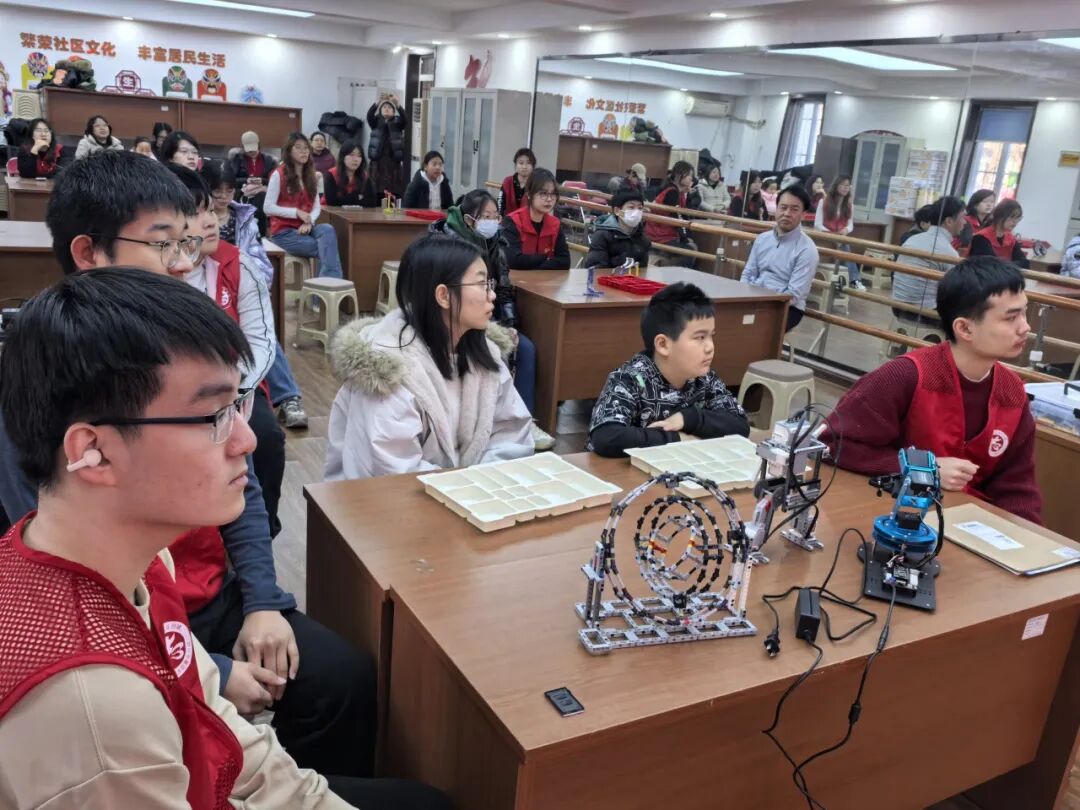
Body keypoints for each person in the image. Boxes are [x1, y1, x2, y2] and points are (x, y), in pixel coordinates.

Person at [0, 268, 450, 810]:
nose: (246, 439)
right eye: (213, 415)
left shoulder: (138, 560)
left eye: (238, 405)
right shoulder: (95, 713)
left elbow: (219, 721)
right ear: (93, 453)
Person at [4, 149, 380, 782]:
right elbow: (79, 575)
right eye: (163, 244)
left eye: (189, 241)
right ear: (88, 252)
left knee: (342, 680)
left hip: (203, 599)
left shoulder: (182, 344)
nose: (184, 263)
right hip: (137, 619)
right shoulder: (53, 380)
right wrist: (212, 670)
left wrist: (262, 600)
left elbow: (243, 488)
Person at [823, 256, 1041, 524]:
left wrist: (1028, 537)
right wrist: (924, 469)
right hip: (896, 518)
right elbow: (833, 443)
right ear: (964, 328)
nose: (1025, 327)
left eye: (1024, 312)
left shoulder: (1013, 392)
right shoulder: (906, 375)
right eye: (1011, 318)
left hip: (965, 524)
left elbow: (1017, 487)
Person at [325, 234, 534, 480]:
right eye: (481, 284)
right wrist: (465, 485)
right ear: (443, 296)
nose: (492, 295)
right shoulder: (386, 369)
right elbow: (389, 469)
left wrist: (480, 484)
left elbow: (511, 436)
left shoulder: (484, 353)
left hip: (473, 493)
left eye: (490, 283)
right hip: (393, 500)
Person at [429, 189, 554, 450]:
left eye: (495, 216)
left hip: (488, 315)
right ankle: (488, 423)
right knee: (492, 349)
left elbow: (504, 290)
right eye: (485, 216)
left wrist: (509, 325)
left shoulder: (496, 244)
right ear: (469, 220)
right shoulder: (447, 245)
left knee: (525, 348)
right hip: (457, 318)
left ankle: (524, 420)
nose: (493, 222)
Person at [201, 160, 310, 430]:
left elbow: (258, 259)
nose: (223, 197)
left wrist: (251, 287)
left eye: (228, 191)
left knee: (263, 335)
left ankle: (288, 398)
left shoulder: (244, 217)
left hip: (240, 286)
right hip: (207, 290)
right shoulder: (195, 218)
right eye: (217, 191)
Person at [588, 282, 749, 457]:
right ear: (663, 344)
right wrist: (677, 439)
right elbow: (607, 437)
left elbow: (740, 426)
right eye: (700, 337)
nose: (710, 347)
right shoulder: (630, 379)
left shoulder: (705, 378)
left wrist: (688, 419)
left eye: (711, 336)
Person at [739, 184, 819, 332]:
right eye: (783, 207)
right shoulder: (762, 239)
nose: (787, 213)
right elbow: (748, 274)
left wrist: (760, 304)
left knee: (752, 329)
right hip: (754, 298)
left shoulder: (807, 250)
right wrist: (744, 297)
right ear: (776, 209)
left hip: (787, 307)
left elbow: (794, 295)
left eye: (794, 209)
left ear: (803, 214)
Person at [266, 132, 344, 279]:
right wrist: (297, 213)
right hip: (283, 233)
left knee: (327, 229)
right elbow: (268, 207)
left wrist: (309, 221)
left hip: (305, 228)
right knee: (327, 248)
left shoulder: (311, 175)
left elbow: (316, 207)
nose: (304, 151)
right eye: (298, 148)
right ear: (289, 151)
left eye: (306, 148)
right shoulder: (279, 174)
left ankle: (323, 287)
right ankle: (328, 287)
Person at [891, 195, 966, 331]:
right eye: (962, 217)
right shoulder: (947, 252)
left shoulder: (913, 239)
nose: (965, 222)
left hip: (896, 306)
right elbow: (955, 289)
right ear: (949, 221)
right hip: (921, 313)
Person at [503, 168, 571, 270]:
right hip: (516, 279)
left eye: (553, 194)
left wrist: (532, 262)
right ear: (529, 194)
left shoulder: (555, 224)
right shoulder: (512, 221)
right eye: (543, 193)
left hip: (545, 279)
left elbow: (565, 261)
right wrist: (546, 259)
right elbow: (513, 261)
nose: (549, 199)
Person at [644, 160, 698, 268]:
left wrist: (687, 194)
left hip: (664, 234)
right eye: (689, 175)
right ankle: (671, 269)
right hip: (659, 236)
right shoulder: (672, 192)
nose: (691, 179)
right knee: (690, 252)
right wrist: (685, 238)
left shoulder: (677, 191)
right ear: (679, 175)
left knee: (691, 245)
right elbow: (678, 218)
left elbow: (685, 213)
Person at [815, 176, 864, 290]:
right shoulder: (824, 202)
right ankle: (854, 280)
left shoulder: (850, 205)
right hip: (825, 238)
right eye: (843, 185)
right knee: (844, 246)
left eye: (848, 186)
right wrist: (832, 234)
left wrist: (846, 230)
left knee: (843, 244)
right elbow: (817, 225)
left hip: (840, 239)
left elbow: (850, 225)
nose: (845, 188)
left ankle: (844, 281)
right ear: (836, 186)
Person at [585, 186, 652, 269]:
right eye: (631, 207)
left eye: (640, 208)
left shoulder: (643, 239)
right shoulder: (602, 236)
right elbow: (596, 268)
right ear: (617, 211)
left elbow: (642, 269)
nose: (636, 212)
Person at [229, 130, 278, 236]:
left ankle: (254, 223)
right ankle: (251, 224)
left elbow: (275, 181)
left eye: (253, 149)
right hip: (243, 194)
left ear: (258, 145)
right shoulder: (237, 159)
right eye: (248, 150)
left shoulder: (269, 160)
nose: (251, 152)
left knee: (262, 196)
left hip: (263, 194)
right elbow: (231, 179)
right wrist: (246, 180)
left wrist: (262, 181)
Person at [366, 95, 407, 199]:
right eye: (384, 107)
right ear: (380, 111)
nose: (387, 109)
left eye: (389, 107)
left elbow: (405, 120)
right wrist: (377, 103)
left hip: (393, 162)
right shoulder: (375, 122)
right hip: (377, 162)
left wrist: (398, 105)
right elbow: (369, 115)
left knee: (392, 193)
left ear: (393, 112)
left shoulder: (397, 123)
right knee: (376, 191)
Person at [969, 199, 1030, 268]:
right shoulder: (981, 238)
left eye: (1018, 218)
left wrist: (1006, 265)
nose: (1015, 221)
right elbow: (993, 266)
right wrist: (1012, 265)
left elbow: (1025, 262)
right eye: (1012, 217)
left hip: (1005, 273)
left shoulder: (1010, 237)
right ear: (1000, 216)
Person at [324, 138, 378, 207]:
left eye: (359, 156)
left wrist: (346, 199)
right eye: (352, 155)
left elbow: (372, 202)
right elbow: (332, 201)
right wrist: (357, 197)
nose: (356, 159)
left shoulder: (365, 176)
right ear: (343, 156)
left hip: (355, 213)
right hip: (329, 211)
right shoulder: (331, 174)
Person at [955, 188, 996, 255]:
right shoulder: (965, 221)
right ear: (975, 205)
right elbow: (967, 242)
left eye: (992, 202)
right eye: (985, 201)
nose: (989, 205)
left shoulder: (990, 223)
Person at [499, 147, 535, 215]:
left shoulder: (536, 184)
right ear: (515, 165)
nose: (524, 167)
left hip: (528, 220)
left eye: (528, 163)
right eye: (521, 163)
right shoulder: (508, 181)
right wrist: (500, 216)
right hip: (508, 219)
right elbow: (500, 203)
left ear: (533, 166)